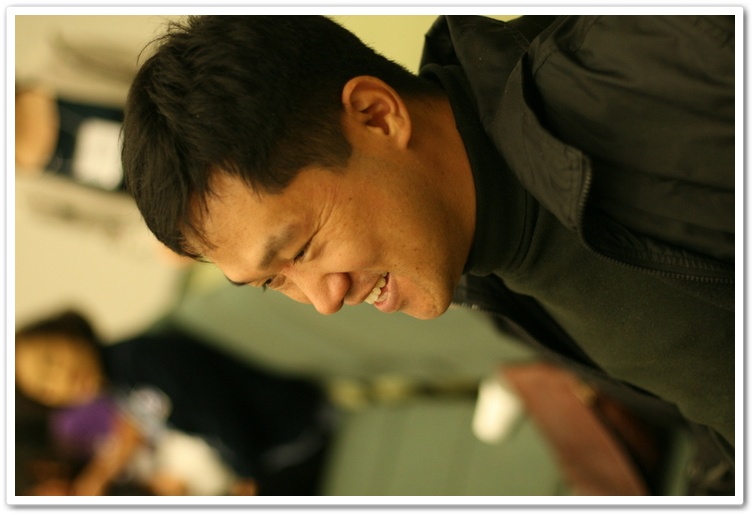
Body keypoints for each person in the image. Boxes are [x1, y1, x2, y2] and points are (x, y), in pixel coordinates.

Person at [119, 14, 736, 479]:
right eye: (273, 281)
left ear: (377, 116)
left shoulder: (659, 68)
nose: (324, 302)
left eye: (302, 248)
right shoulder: (485, 277)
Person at [15, 310, 334, 496]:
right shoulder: (120, 386)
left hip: (295, 435)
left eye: (50, 360)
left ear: (66, 332)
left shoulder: (140, 358)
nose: (60, 380)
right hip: (268, 453)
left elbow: (218, 408)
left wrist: (248, 478)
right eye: (45, 389)